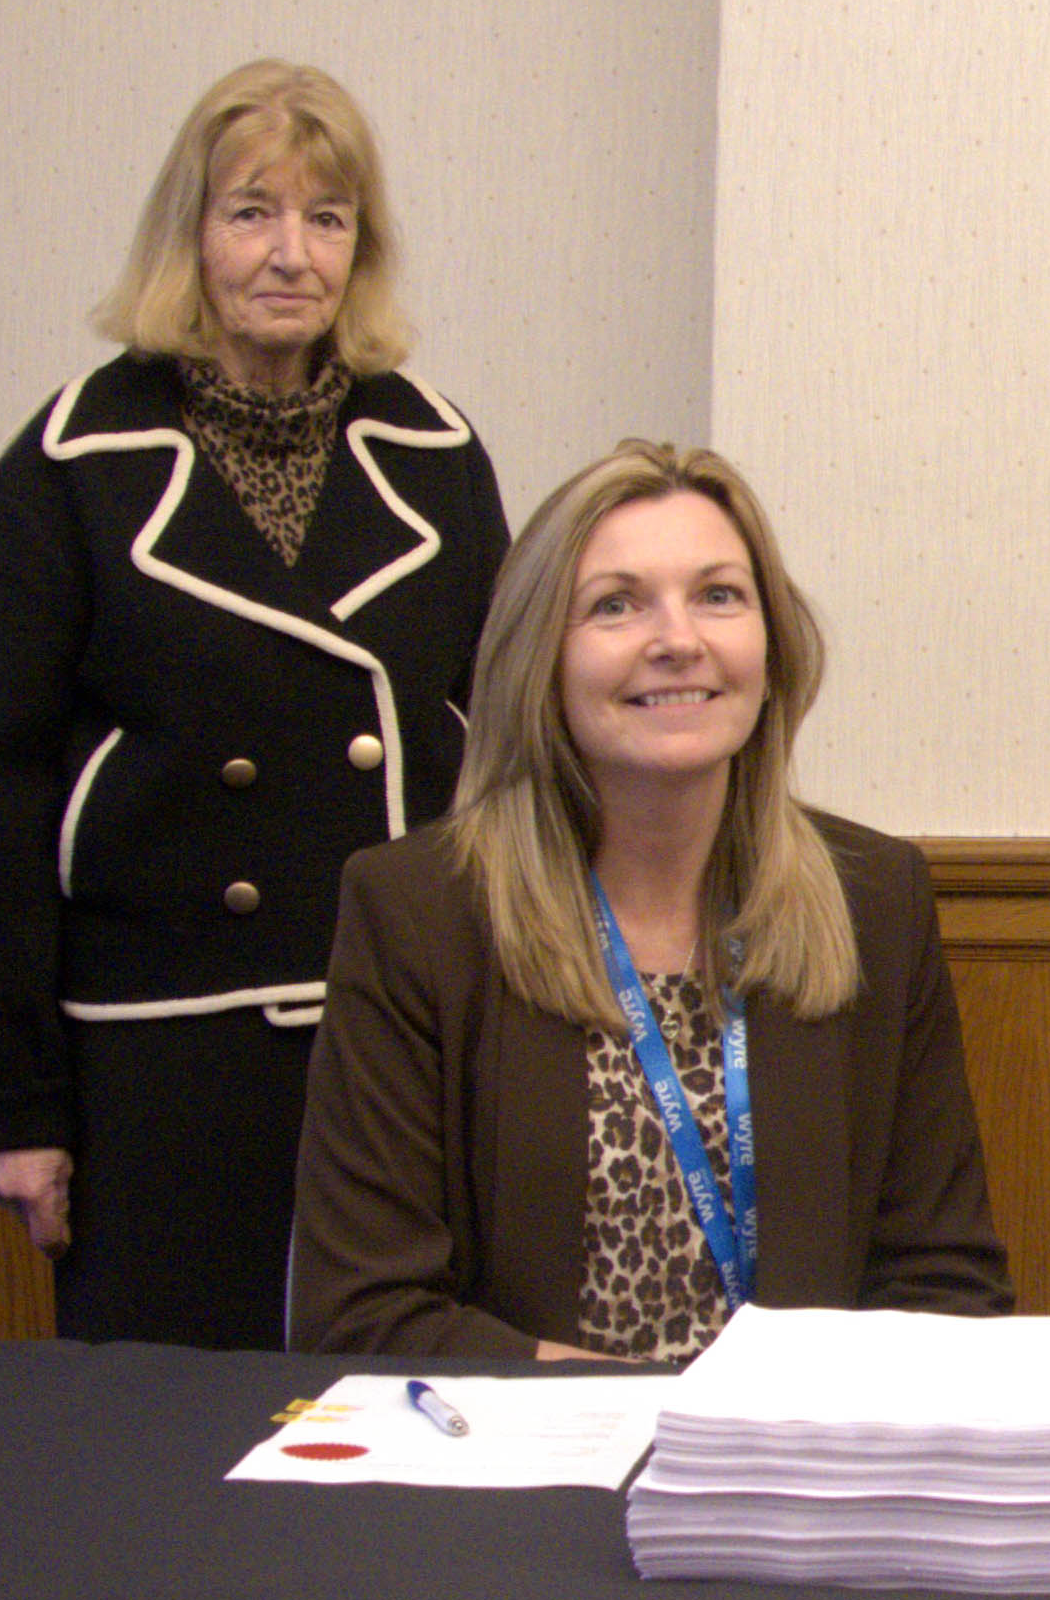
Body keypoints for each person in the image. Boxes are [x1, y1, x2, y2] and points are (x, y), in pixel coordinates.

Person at [0, 59, 502, 1347]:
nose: (289, 253)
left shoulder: (438, 452)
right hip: (157, 1061)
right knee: (160, 1456)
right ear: (189, 233)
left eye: (327, 217)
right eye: (252, 212)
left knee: (400, 1424)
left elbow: (506, 752)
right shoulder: (71, 461)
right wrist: (14, 1104)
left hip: (397, 1040)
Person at [289, 443, 1008, 1359]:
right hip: (530, 1474)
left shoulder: (875, 899)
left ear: (771, 643)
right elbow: (358, 1311)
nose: (678, 638)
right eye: (615, 605)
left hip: (791, 1479)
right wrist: (649, 1414)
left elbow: (948, 1284)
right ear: (538, 658)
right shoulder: (419, 912)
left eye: (718, 594)